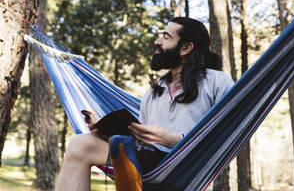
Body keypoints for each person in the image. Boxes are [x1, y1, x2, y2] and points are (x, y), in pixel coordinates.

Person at [55, 17, 234, 191]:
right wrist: (104, 128)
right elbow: (137, 138)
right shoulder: (154, 93)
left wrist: (174, 141)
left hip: (186, 168)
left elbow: (227, 135)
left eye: (166, 37)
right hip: (150, 167)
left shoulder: (217, 82)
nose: (157, 42)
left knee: (120, 143)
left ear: (186, 48)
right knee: (80, 143)